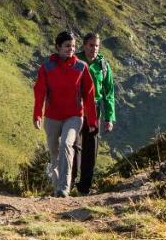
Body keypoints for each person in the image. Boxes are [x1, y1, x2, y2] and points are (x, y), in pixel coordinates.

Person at [32, 31, 98, 197]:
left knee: (67, 145)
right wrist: (37, 115)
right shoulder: (46, 67)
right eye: (67, 46)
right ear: (58, 47)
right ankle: (57, 189)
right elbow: (40, 92)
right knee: (54, 153)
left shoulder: (81, 67)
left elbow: (89, 94)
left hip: (74, 116)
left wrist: (92, 120)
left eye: (73, 46)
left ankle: (64, 187)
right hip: (53, 116)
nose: (71, 49)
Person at [72, 32, 116, 195]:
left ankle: (84, 187)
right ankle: (69, 182)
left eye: (96, 45)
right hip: (75, 108)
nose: (94, 49)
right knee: (73, 144)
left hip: (94, 109)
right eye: (91, 45)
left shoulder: (103, 65)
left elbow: (109, 93)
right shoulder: (74, 61)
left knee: (91, 147)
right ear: (84, 45)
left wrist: (109, 118)